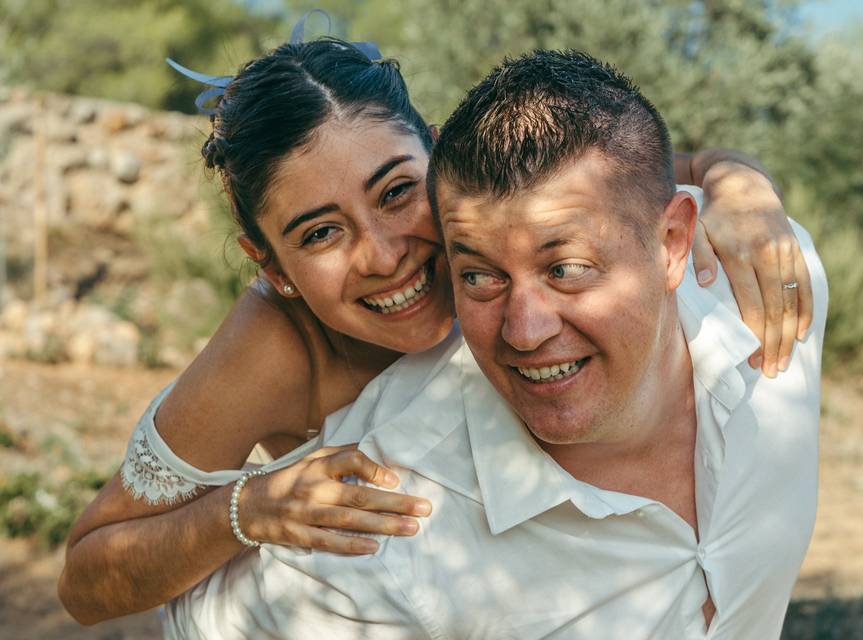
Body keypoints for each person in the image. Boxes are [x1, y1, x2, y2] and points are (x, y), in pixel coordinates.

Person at [58, 36, 813, 627]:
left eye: (396, 192)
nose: (385, 255)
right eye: (320, 234)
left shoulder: (480, 191)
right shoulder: (273, 349)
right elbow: (86, 580)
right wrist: (248, 510)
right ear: (273, 264)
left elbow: (624, 168)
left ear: (437, 150)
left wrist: (738, 182)